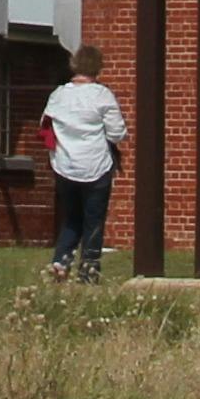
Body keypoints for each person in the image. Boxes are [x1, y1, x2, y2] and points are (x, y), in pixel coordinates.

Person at [39, 50, 130, 280]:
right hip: (96, 165)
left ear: (74, 65)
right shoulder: (102, 96)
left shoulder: (58, 95)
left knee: (71, 218)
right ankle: (88, 270)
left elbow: (45, 125)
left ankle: (61, 261)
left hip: (64, 165)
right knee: (93, 220)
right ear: (98, 68)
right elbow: (117, 133)